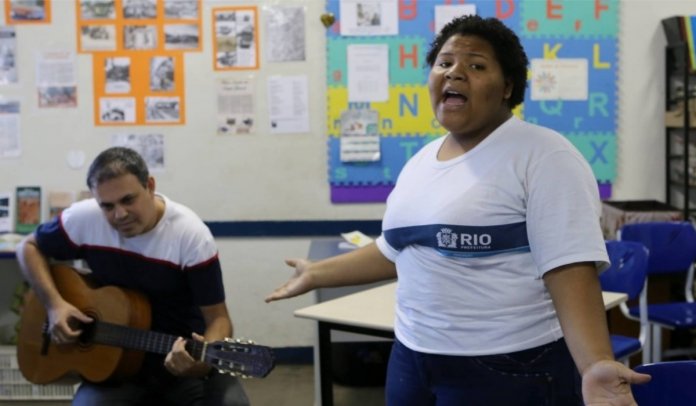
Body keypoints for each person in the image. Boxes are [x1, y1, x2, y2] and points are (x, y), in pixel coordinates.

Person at [266, 15, 651, 406]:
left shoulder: (544, 155)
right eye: (444, 63)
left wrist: (594, 363)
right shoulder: (421, 162)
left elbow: (570, 268)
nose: (455, 73)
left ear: (508, 87)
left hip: (510, 365)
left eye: (476, 65)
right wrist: (316, 273)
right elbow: (396, 249)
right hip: (412, 358)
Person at [16, 147, 250, 406]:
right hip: (114, 367)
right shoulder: (84, 218)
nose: (120, 214)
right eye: (107, 205)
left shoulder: (190, 235)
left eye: (128, 200)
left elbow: (219, 319)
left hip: (181, 362)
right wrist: (54, 306)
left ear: (150, 186)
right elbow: (28, 247)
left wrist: (201, 363)